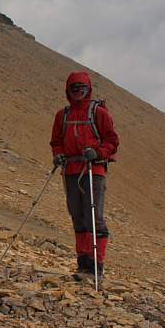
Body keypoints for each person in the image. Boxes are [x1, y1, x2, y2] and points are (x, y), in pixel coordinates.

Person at [50, 72, 119, 281]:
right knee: (78, 216)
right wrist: (58, 154)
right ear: (68, 91)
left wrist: (98, 153)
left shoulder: (99, 113)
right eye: (74, 89)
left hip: (93, 169)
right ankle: (84, 264)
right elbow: (56, 141)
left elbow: (112, 140)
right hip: (71, 169)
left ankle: (97, 266)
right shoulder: (62, 115)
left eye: (82, 88)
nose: (78, 92)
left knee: (94, 216)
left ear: (89, 90)